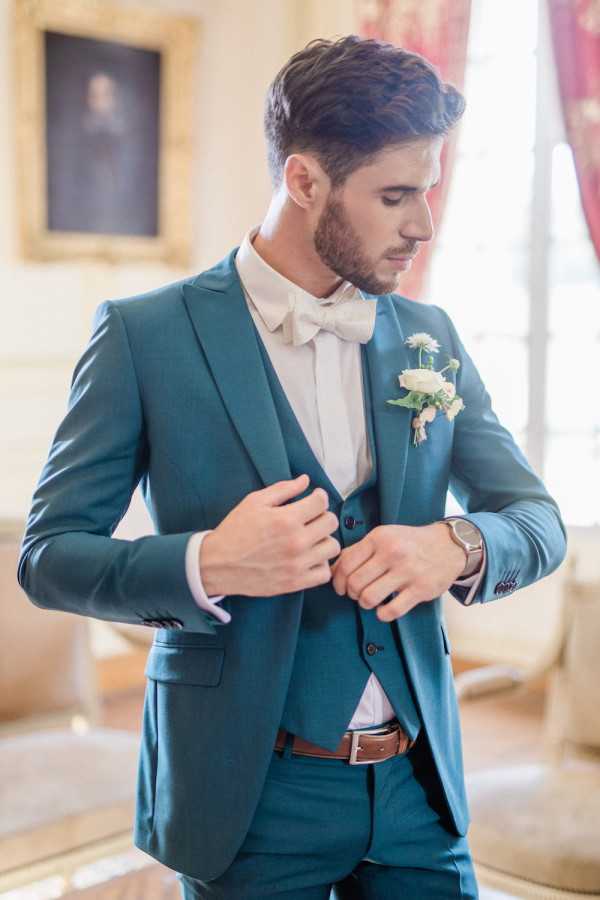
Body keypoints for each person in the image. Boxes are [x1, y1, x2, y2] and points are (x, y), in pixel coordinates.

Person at [18, 34, 567, 900]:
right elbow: (47, 556)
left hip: (419, 795)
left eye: (426, 190)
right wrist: (208, 562)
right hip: (248, 795)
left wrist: (455, 546)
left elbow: (537, 519)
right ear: (305, 180)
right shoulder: (144, 334)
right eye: (396, 195)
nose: (423, 224)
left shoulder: (429, 335)